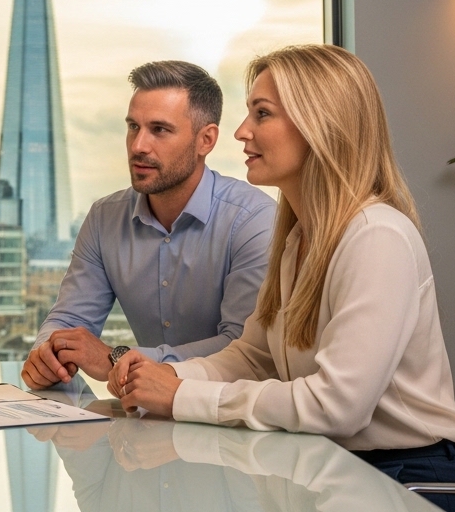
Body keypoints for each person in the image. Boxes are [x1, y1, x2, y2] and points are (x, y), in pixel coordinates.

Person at [109, 44, 455, 512]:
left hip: (413, 485)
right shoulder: (298, 241)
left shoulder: (376, 237)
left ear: (320, 125)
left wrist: (184, 397)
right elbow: (254, 356)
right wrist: (168, 375)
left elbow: (336, 407)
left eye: (262, 114)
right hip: (336, 474)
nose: (242, 132)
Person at [21, 61, 274, 390]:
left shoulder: (253, 220)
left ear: (206, 140)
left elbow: (242, 350)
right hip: (148, 417)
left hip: (234, 418)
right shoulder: (104, 218)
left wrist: (118, 357)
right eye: (133, 127)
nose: (138, 145)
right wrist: (47, 353)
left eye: (159, 130)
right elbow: (70, 320)